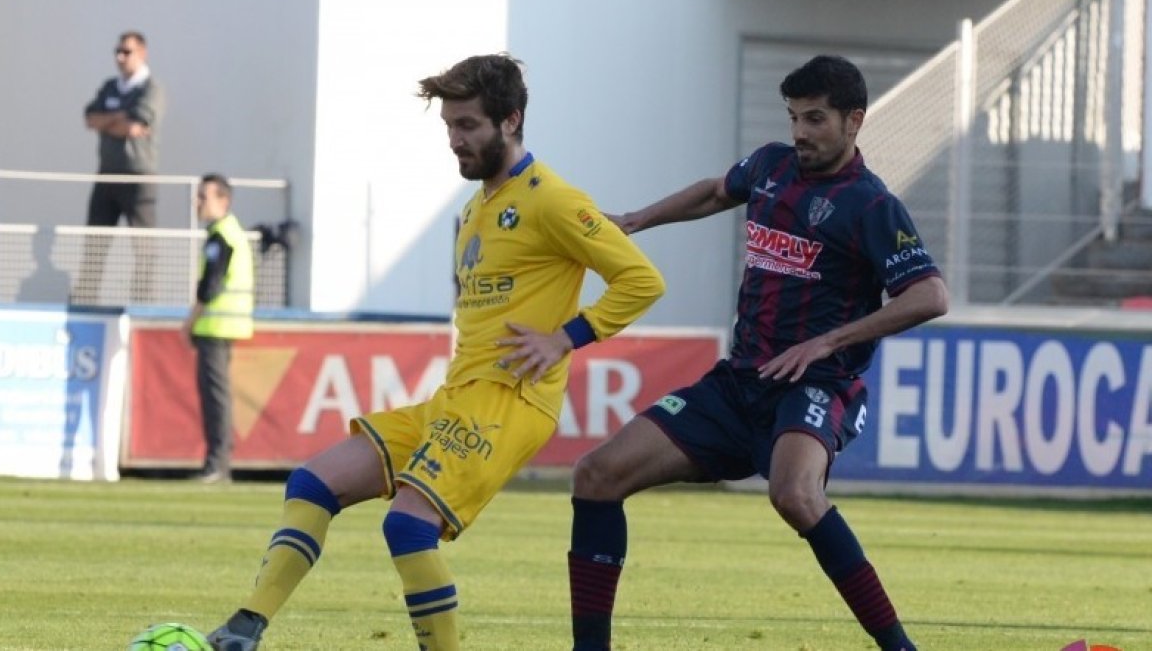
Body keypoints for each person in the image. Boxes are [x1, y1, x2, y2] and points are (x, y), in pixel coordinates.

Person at [206, 53, 666, 651]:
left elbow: (642, 280)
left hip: (510, 401)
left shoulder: (552, 199)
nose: (455, 140)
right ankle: (244, 628)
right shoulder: (475, 209)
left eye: (468, 125)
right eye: (450, 126)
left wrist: (565, 337)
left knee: (408, 526)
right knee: (313, 483)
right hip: (455, 396)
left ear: (511, 120)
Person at [567, 55, 948, 651]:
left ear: (854, 121)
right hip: (737, 385)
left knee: (794, 494)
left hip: (817, 385)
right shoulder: (772, 165)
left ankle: (901, 648)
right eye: (794, 117)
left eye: (815, 119)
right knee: (595, 475)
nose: (800, 133)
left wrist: (829, 340)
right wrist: (639, 220)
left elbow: (930, 295)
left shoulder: (872, 206)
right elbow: (718, 191)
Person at [73, 30, 165, 305]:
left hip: (138, 176)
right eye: (118, 51)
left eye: (127, 52)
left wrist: (111, 122)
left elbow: (137, 127)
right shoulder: (110, 88)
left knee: (143, 248)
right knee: (95, 242)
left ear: (142, 53)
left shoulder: (151, 89)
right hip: (107, 174)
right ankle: (86, 301)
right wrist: (119, 117)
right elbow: (90, 119)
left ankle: (141, 305)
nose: (120, 57)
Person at [181, 174, 254, 484]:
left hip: (217, 326)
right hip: (225, 325)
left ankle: (217, 464)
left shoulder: (222, 235)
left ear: (223, 201)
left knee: (216, 398)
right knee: (216, 396)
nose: (197, 203)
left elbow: (209, 286)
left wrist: (190, 321)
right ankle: (217, 462)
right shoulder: (229, 233)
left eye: (203, 197)